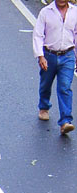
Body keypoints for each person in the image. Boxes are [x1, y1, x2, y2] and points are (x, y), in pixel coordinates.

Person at [33, 0, 76, 135]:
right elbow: (38, 35)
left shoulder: (75, 12)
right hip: (49, 54)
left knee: (65, 87)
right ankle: (44, 107)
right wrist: (40, 56)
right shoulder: (46, 12)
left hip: (68, 55)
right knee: (46, 84)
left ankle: (65, 121)